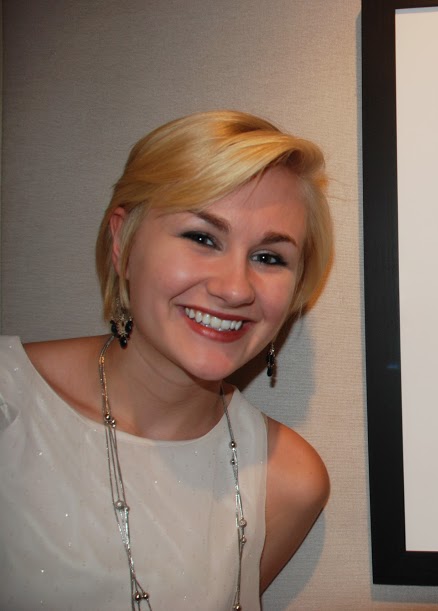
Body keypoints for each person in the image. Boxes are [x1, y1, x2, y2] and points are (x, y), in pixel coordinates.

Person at [0, 110, 333, 609]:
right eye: (202, 238)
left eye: (269, 257)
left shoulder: (289, 482)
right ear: (123, 242)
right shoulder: (11, 406)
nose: (235, 288)